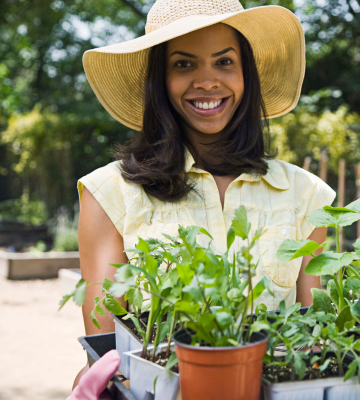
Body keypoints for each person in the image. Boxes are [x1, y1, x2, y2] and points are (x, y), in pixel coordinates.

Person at [72, 0, 336, 392]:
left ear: (247, 74)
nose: (207, 81)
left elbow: (316, 343)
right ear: (159, 80)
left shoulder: (307, 195)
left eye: (224, 62)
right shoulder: (110, 193)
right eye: (184, 64)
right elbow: (108, 350)